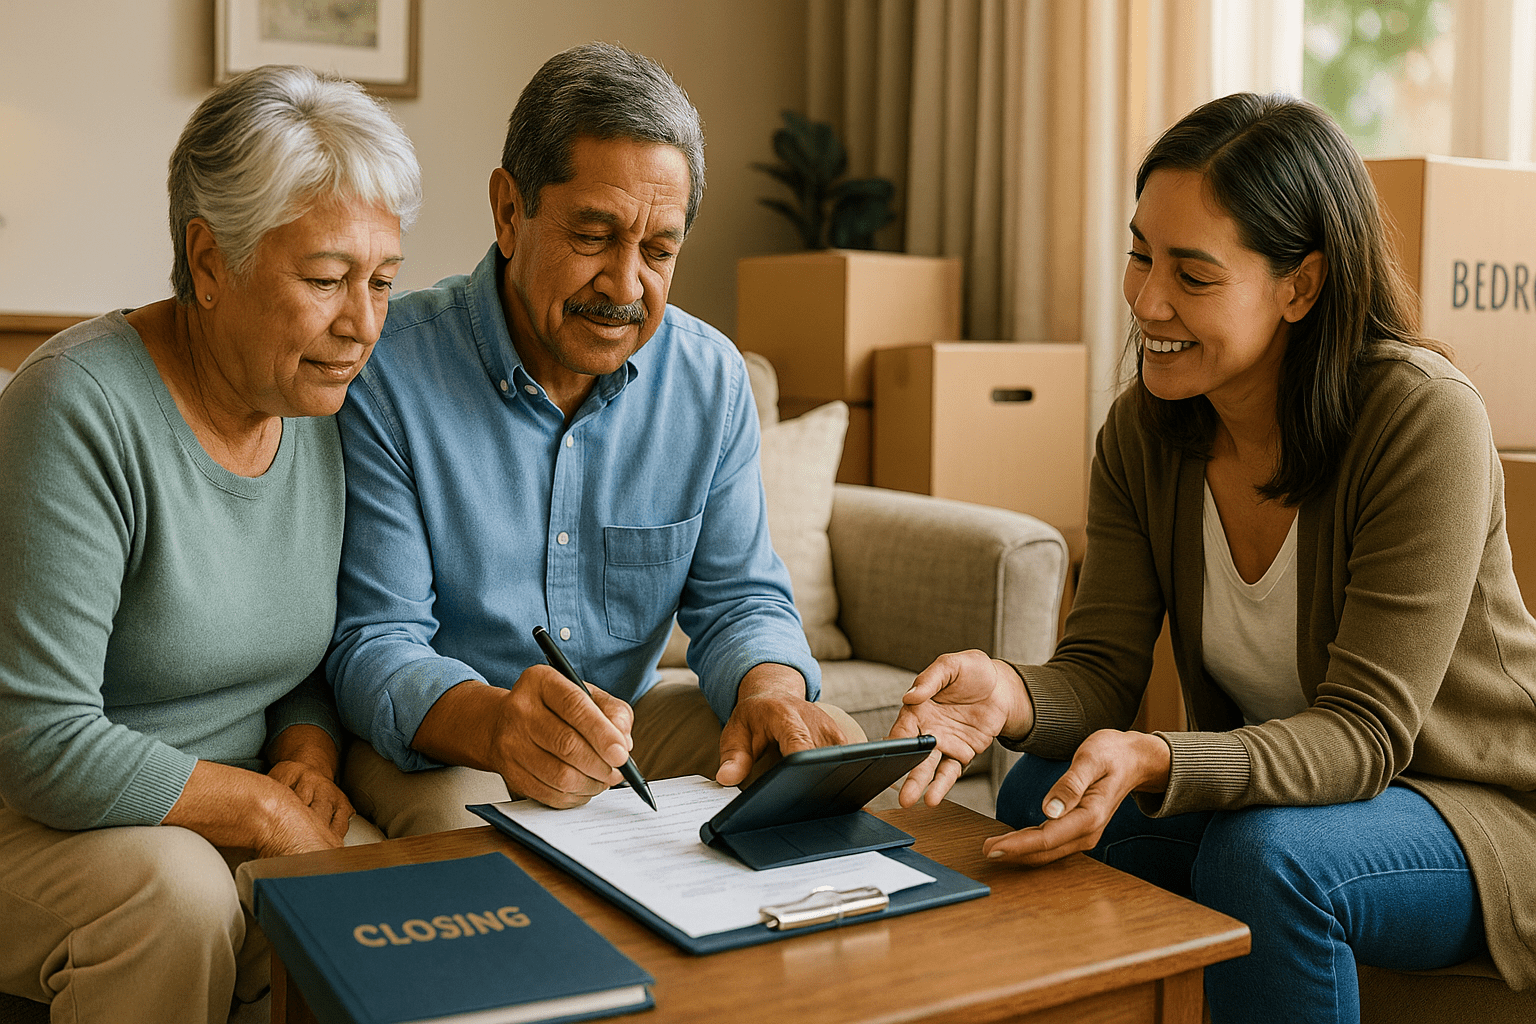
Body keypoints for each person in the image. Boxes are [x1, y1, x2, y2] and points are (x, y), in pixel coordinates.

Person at [890, 92, 1536, 1024]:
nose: (1148, 300)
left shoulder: (1420, 419)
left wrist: (1159, 755)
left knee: (1265, 857)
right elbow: (1103, 672)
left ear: (1300, 286)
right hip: (1296, 796)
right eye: (1140, 254)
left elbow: (1364, 735)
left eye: (1193, 275)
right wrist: (1010, 693)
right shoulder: (1144, 436)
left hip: (1474, 811)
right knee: (1040, 787)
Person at [328, 41, 862, 838]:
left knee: (823, 781)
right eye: (593, 236)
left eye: (658, 250)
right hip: (452, 738)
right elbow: (377, 643)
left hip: (626, 727)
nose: (625, 286)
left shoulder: (710, 378)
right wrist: (499, 723)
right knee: (473, 838)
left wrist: (772, 692)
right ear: (510, 212)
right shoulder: (390, 370)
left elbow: (740, 598)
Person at [0, 65, 421, 1024]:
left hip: (209, 808)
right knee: (179, 898)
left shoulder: (310, 399)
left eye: (383, 283)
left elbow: (292, 649)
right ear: (207, 259)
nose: (360, 327)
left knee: (408, 895)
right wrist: (262, 810)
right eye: (324, 280)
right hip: (36, 816)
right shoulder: (78, 406)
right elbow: (38, 741)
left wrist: (307, 753)